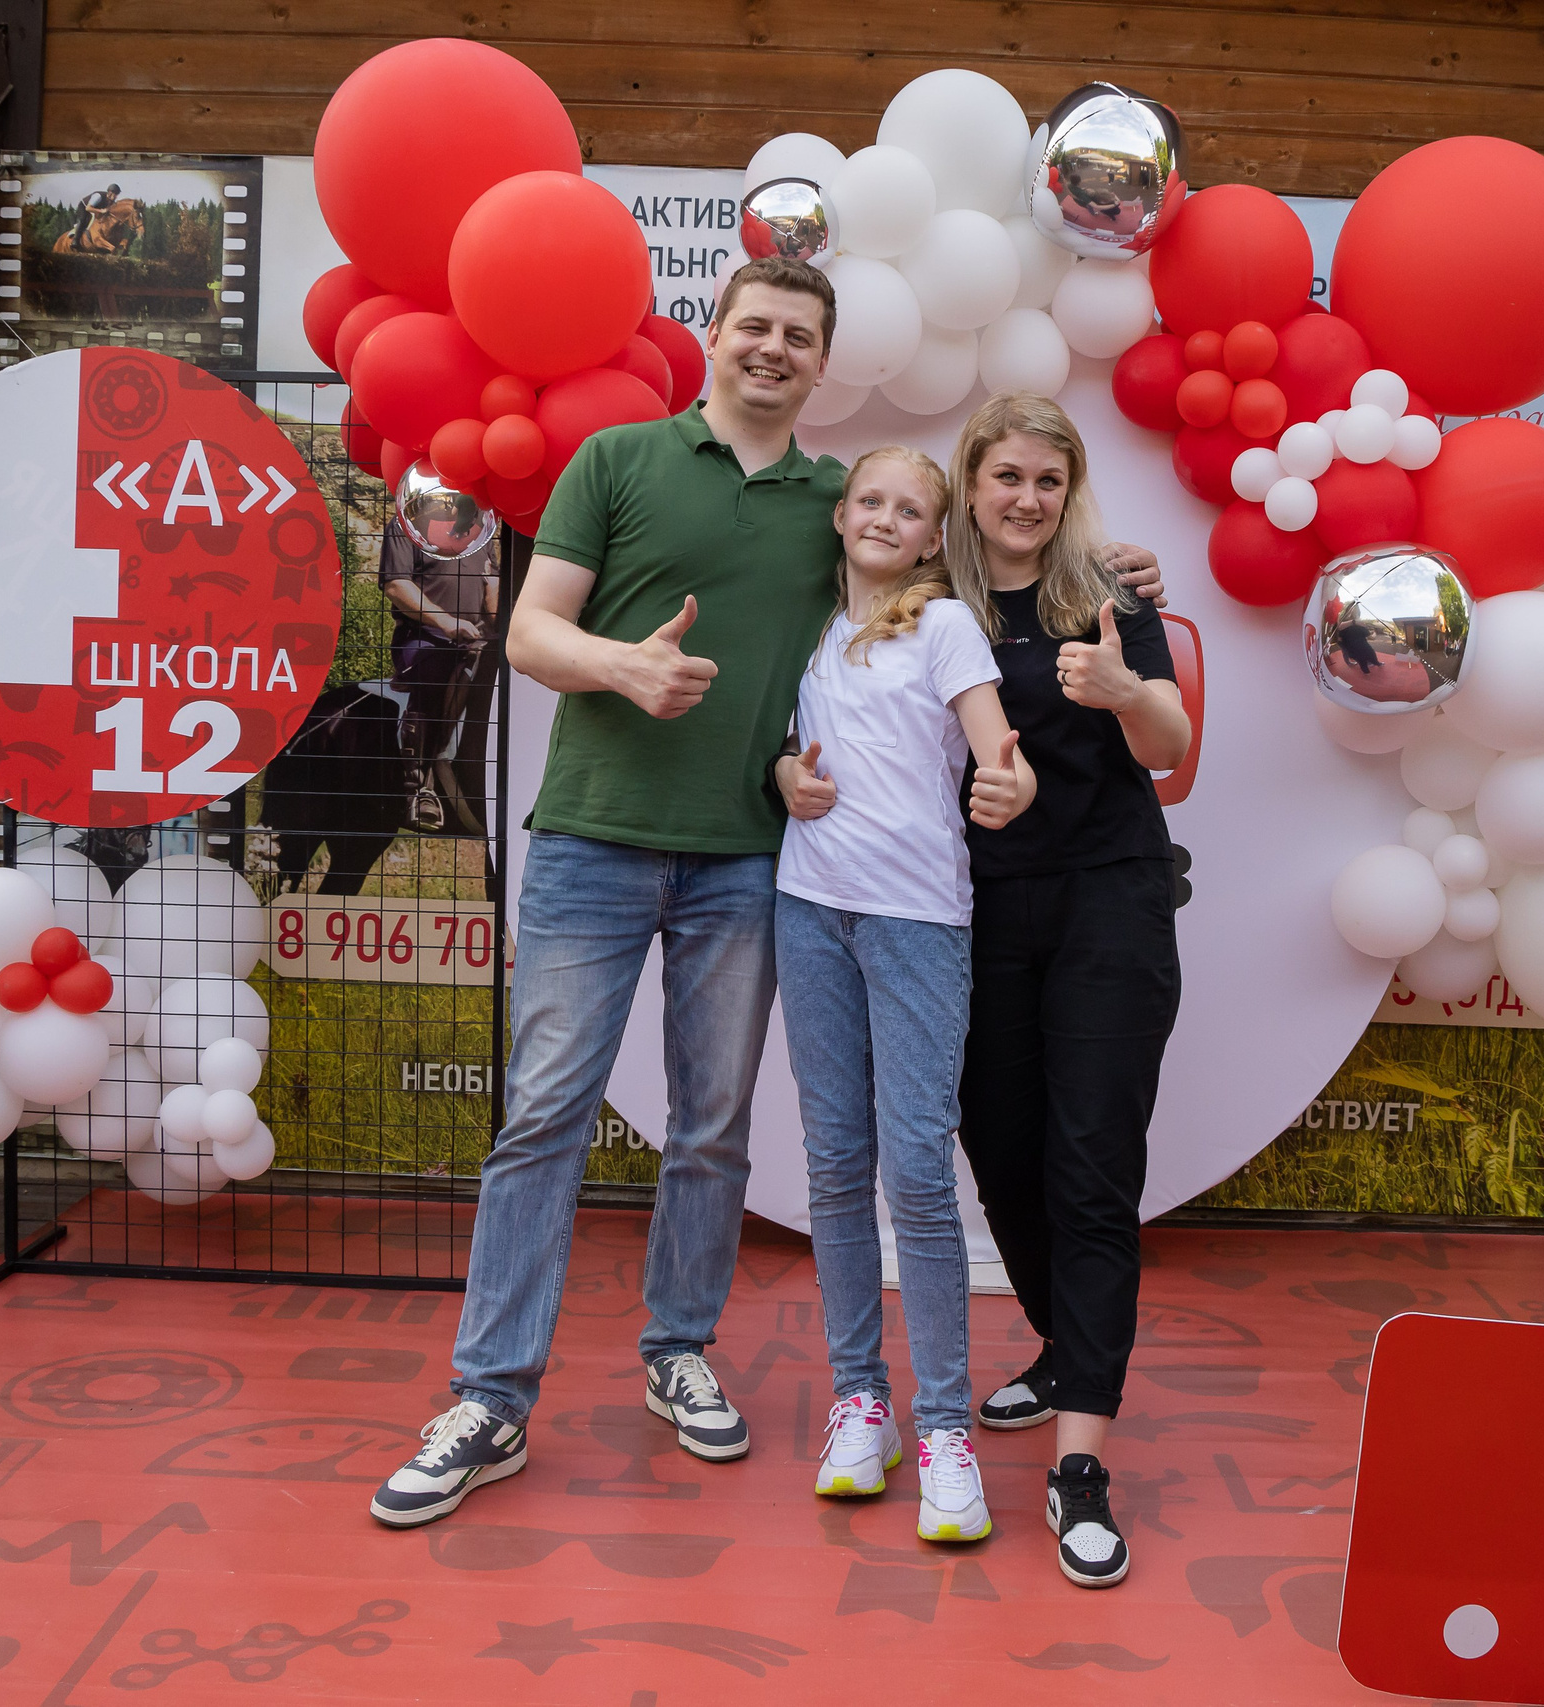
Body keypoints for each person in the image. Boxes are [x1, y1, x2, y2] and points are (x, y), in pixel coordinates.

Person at [367, 258, 1163, 1529]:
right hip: (595, 838)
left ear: (821, 361)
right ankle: (489, 1397)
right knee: (544, 1117)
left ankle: (679, 1352)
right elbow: (527, 633)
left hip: (752, 862)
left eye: (800, 336)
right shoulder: (620, 463)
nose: (774, 349)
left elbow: (969, 572)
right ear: (716, 336)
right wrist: (622, 668)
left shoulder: (833, 504)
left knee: (715, 1129)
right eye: (756, 328)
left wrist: (1109, 566)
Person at [938, 392, 1191, 1591]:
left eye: (1048, 480)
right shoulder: (925, 595)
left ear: (1069, 487)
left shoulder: (1109, 590)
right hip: (974, 909)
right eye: (1008, 478)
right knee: (999, 1149)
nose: (1027, 499)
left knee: (1093, 1167)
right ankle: (1057, 1344)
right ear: (972, 481)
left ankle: (1079, 1462)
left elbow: (1169, 746)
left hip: (1108, 898)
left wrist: (1123, 689)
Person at [768, 445, 1034, 1544]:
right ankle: (858, 1402)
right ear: (841, 518)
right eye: (868, 500)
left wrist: (1007, 784)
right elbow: (790, 743)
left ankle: (942, 1431)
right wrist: (784, 770)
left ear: (934, 537)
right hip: (805, 909)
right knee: (835, 1166)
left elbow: (994, 753)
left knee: (916, 1169)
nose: (884, 518)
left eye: (908, 509)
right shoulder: (806, 626)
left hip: (917, 922)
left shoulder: (944, 626)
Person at [379, 524, 499, 833]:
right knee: (434, 671)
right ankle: (420, 789)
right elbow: (395, 585)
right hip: (424, 637)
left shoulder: (480, 530)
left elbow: (491, 586)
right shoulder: (407, 523)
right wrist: (446, 622)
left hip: (476, 639)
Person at [71, 182, 121, 251]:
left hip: (95, 209)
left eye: (117, 194)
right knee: (83, 220)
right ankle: (75, 240)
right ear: (110, 192)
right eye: (115, 194)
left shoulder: (111, 201)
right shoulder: (98, 196)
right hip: (84, 207)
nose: (116, 196)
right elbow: (88, 208)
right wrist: (101, 211)